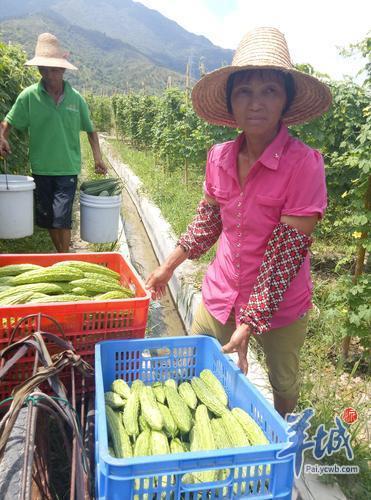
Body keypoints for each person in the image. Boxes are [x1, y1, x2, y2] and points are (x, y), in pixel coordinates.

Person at [145, 27, 332, 417]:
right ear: (230, 103)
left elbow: (286, 253)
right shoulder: (219, 157)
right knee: (191, 364)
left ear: (286, 101)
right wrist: (166, 267)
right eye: (244, 91)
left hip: (279, 304)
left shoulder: (304, 165)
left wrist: (250, 321)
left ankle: (283, 439)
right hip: (221, 291)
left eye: (269, 91)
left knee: (282, 382)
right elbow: (207, 223)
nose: (256, 103)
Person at [0, 32, 107, 252]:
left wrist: (98, 157)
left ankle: (64, 257)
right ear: (39, 70)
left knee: (62, 217)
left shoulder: (76, 99)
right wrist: (2, 137)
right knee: (48, 218)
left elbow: (91, 130)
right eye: (44, 69)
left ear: (63, 69)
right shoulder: (29, 96)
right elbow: (7, 122)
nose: (49, 74)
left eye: (54, 69)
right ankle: (61, 254)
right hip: (40, 167)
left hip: (67, 168)